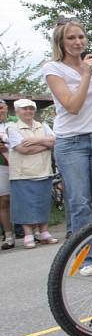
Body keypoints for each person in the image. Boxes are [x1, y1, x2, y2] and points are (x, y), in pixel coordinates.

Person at [42, 18, 92, 274]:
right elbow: (72, 106)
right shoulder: (54, 69)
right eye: (71, 38)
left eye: (81, 37)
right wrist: (85, 74)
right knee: (80, 202)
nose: (78, 42)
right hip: (71, 141)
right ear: (61, 43)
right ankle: (88, 258)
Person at [6, 99, 58, 249]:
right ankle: (28, 234)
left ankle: (44, 232)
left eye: (31, 108)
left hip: (43, 170)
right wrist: (45, 145)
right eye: (24, 109)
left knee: (43, 202)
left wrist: (36, 140)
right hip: (22, 173)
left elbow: (54, 141)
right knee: (25, 204)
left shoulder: (43, 126)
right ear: (17, 111)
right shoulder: (12, 127)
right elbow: (23, 149)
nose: (28, 111)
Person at [0, 99, 14, 249]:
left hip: (19, 164)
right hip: (2, 165)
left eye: (1, 108)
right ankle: (8, 235)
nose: (0, 111)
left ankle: (33, 232)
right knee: (4, 200)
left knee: (23, 197)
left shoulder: (15, 120)